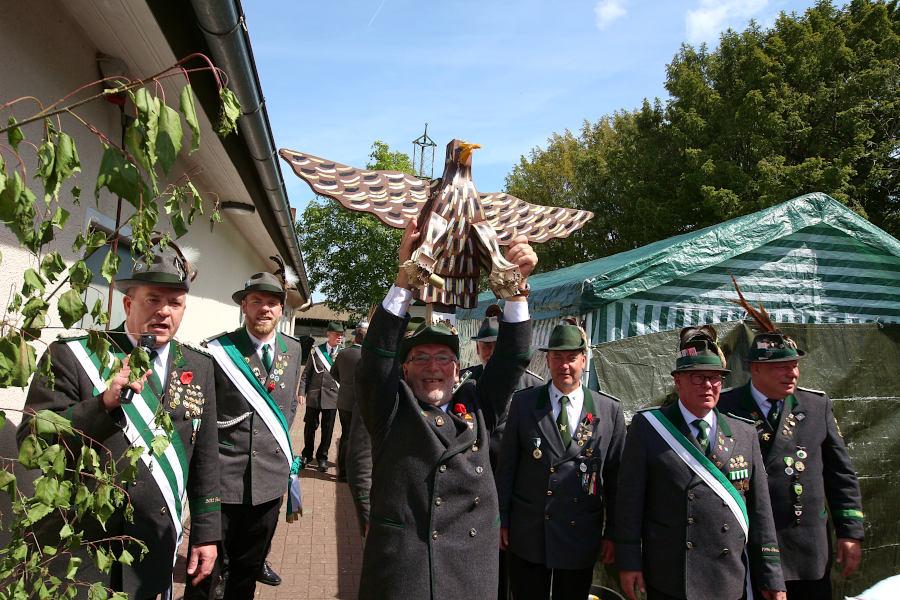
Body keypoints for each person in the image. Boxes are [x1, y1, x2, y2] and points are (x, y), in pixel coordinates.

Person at [18, 244, 220, 599]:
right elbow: (32, 440)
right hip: (82, 546)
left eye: (174, 303)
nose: (163, 312)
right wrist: (103, 404)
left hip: (153, 544)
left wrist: (206, 532)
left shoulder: (198, 366)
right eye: (152, 299)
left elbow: (205, 457)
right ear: (128, 303)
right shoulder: (74, 356)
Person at [356, 220, 537, 599]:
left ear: (458, 368)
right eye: (420, 357)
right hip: (405, 569)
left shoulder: (479, 403)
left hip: (469, 569)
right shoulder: (391, 407)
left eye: (443, 358)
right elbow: (375, 360)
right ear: (404, 369)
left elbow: (514, 357)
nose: (433, 367)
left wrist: (516, 291)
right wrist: (404, 282)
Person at [616, 326, 786, 600]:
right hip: (672, 576)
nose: (708, 385)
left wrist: (771, 576)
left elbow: (761, 512)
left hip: (728, 578)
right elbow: (629, 504)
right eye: (698, 378)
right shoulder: (650, 428)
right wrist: (629, 562)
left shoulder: (743, 432)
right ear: (678, 381)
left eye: (715, 378)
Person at [719, 322, 864, 599]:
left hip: (806, 548)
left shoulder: (815, 406)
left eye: (795, 365)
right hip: (749, 546)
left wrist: (850, 532)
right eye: (781, 366)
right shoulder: (725, 407)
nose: (792, 373)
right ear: (755, 368)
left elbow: (840, 475)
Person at [188, 271, 304, 600]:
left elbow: (289, 408)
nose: (264, 309)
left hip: (268, 482)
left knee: (247, 570)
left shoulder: (293, 350)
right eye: (257, 302)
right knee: (205, 571)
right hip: (223, 480)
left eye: (272, 303)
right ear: (244, 306)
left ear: (282, 309)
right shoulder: (219, 350)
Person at [496, 321, 625, 600]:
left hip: (579, 532)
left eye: (571, 358)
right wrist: (502, 519)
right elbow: (507, 467)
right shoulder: (525, 404)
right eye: (557, 357)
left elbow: (615, 480)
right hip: (529, 530)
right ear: (547, 359)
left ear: (583, 359)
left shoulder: (608, 410)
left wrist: (613, 532)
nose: (564, 365)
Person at [462, 305, 544, 390]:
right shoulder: (463, 382)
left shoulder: (533, 385)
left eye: (499, 346)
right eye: (487, 346)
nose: (493, 352)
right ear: (478, 349)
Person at [299, 321, 343, 472]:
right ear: (328, 334)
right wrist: (301, 392)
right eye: (337, 334)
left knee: (328, 430)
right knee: (309, 428)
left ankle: (322, 457)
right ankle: (307, 455)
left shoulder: (343, 354)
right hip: (314, 396)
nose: (339, 337)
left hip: (332, 398)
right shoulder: (316, 352)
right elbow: (306, 375)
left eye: (341, 335)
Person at [332, 322, 367, 482]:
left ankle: (343, 473)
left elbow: (334, 374)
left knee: (345, 435)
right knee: (360, 438)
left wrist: (346, 384)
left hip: (344, 400)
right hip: (362, 403)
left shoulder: (343, 353)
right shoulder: (367, 356)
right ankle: (356, 471)